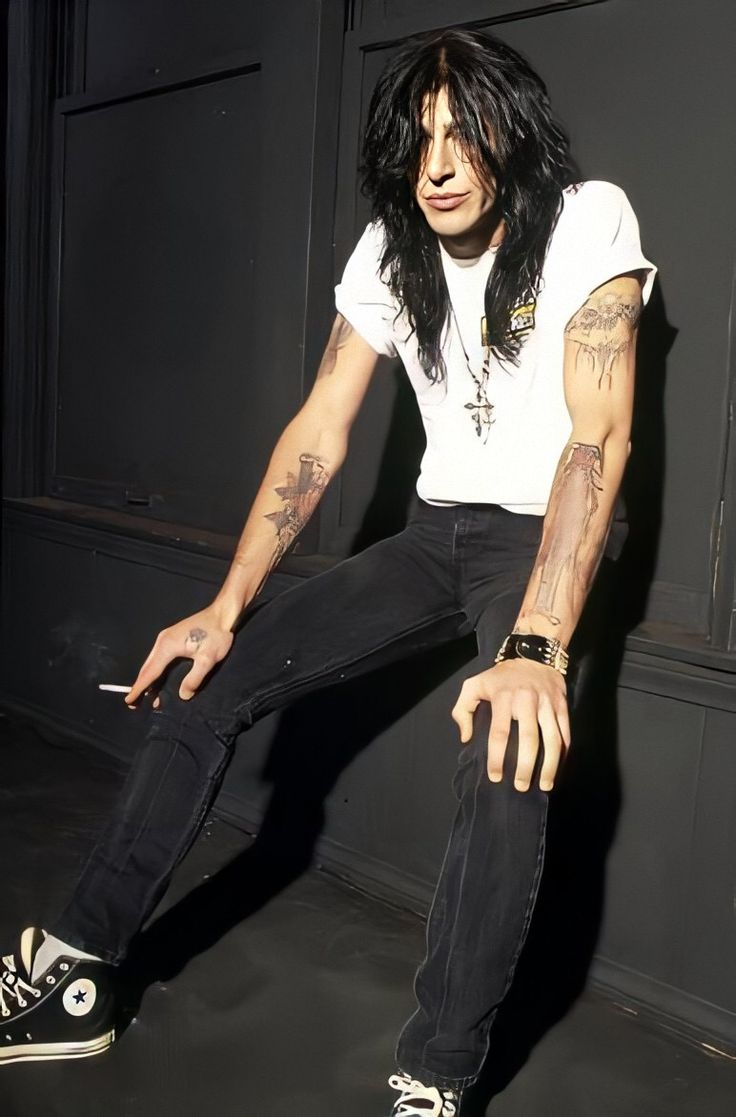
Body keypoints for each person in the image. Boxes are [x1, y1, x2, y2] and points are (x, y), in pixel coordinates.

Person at [0, 27, 655, 1117]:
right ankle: (79, 968)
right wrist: (224, 606)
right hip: (434, 530)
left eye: (461, 132)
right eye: (418, 138)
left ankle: (436, 1074)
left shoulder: (586, 217)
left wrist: (537, 643)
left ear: (508, 132)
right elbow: (320, 428)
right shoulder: (389, 247)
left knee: (508, 747)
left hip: (545, 536)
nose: (437, 162)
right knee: (203, 678)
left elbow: (600, 435)